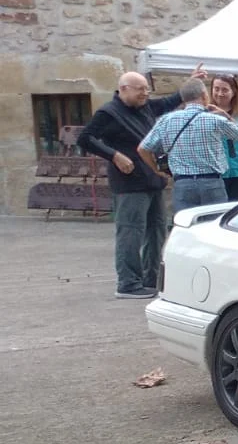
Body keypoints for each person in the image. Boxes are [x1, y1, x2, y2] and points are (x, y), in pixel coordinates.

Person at [77, 70, 191, 298]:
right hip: (129, 184)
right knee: (131, 232)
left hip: (152, 179)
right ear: (124, 89)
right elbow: (85, 138)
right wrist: (114, 156)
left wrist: (190, 84)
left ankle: (150, 279)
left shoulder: (145, 107)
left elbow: (168, 102)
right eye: (140, 89)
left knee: (156, 231)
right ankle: (128, 283)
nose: (145, 93)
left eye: (147, 89)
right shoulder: (109, 113)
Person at [138, 78, 238, 213]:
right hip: (212, 182)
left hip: (183, 183)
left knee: (186, 222)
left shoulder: (166, 120)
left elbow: (143, 148)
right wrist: (226, 115)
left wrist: (156, 170)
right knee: (213, 222)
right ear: (204, 95)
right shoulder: (215, 119)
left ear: (183, 98)